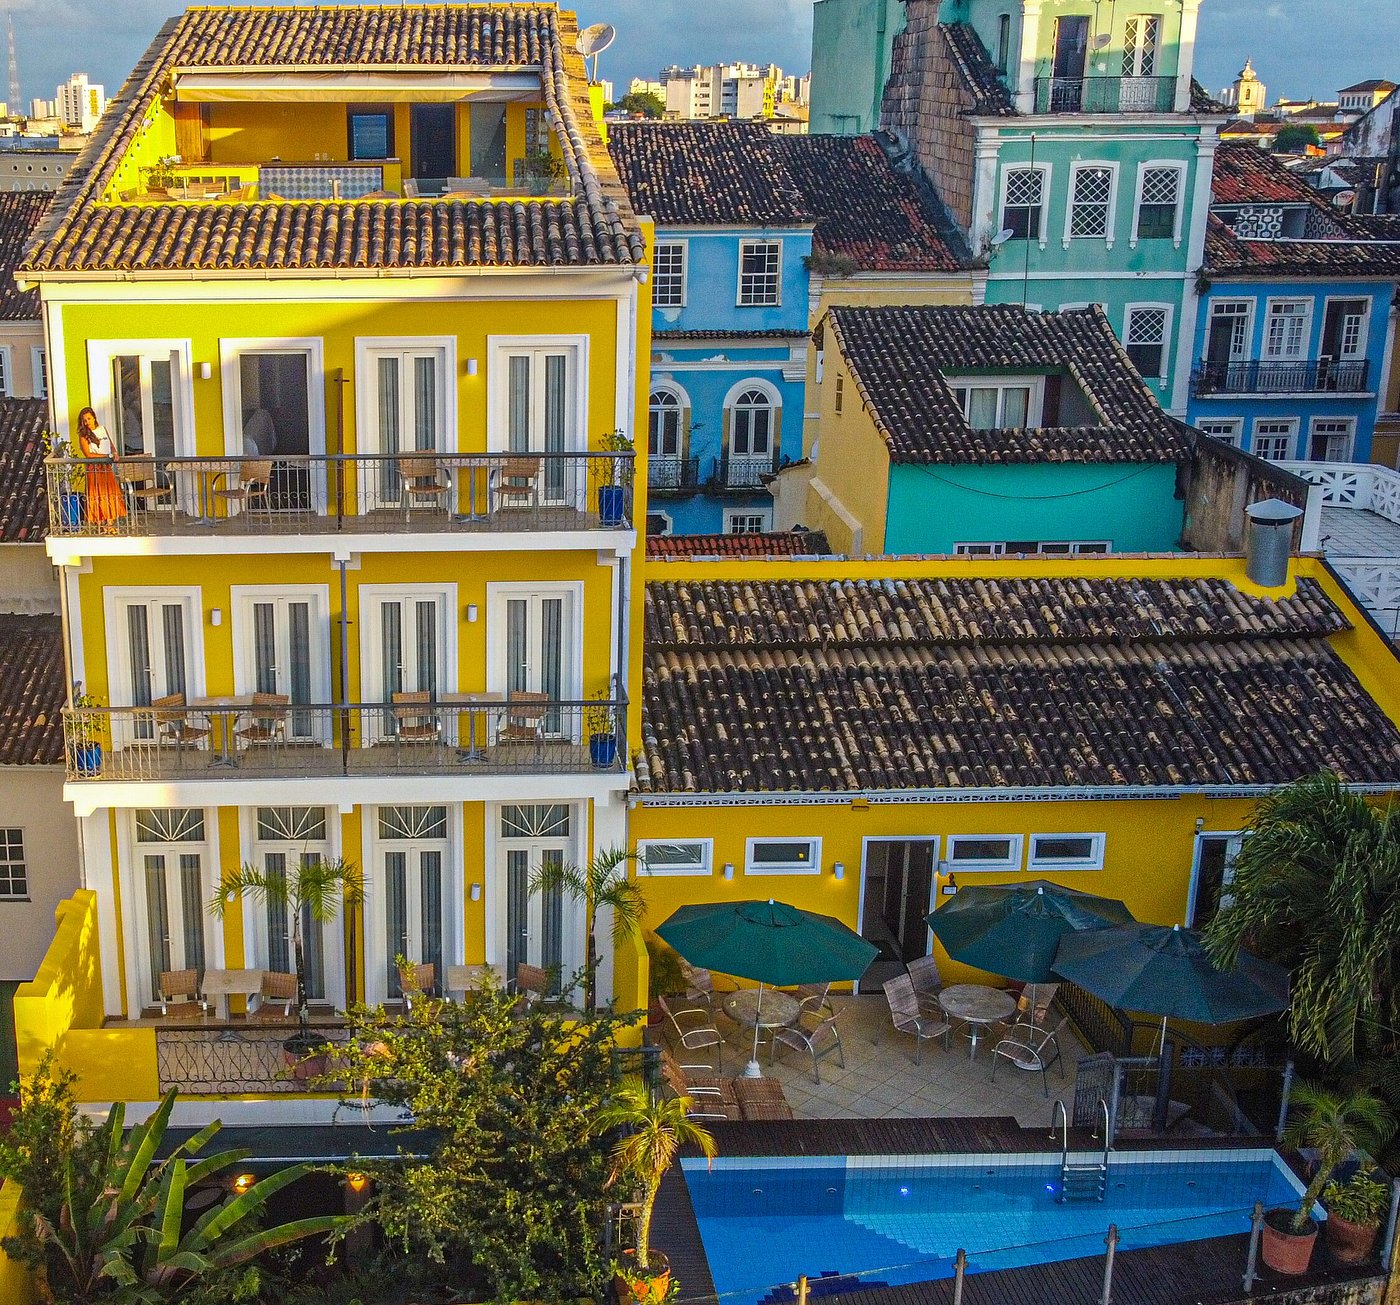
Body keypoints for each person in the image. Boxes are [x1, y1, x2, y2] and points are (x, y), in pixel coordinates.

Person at [76, 406, 127, 530]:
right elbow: (88, 454)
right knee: (98, 494)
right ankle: (101, 523)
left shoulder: (102, 429)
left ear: (94, 417)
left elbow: (110, 444)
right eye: (84, 420)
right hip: (94, 467)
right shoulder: (83, 435)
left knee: (110, 492)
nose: (87, 422)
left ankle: (110, 522)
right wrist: (107, 456)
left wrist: (114, 453)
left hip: (106, 466)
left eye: (89, 418)